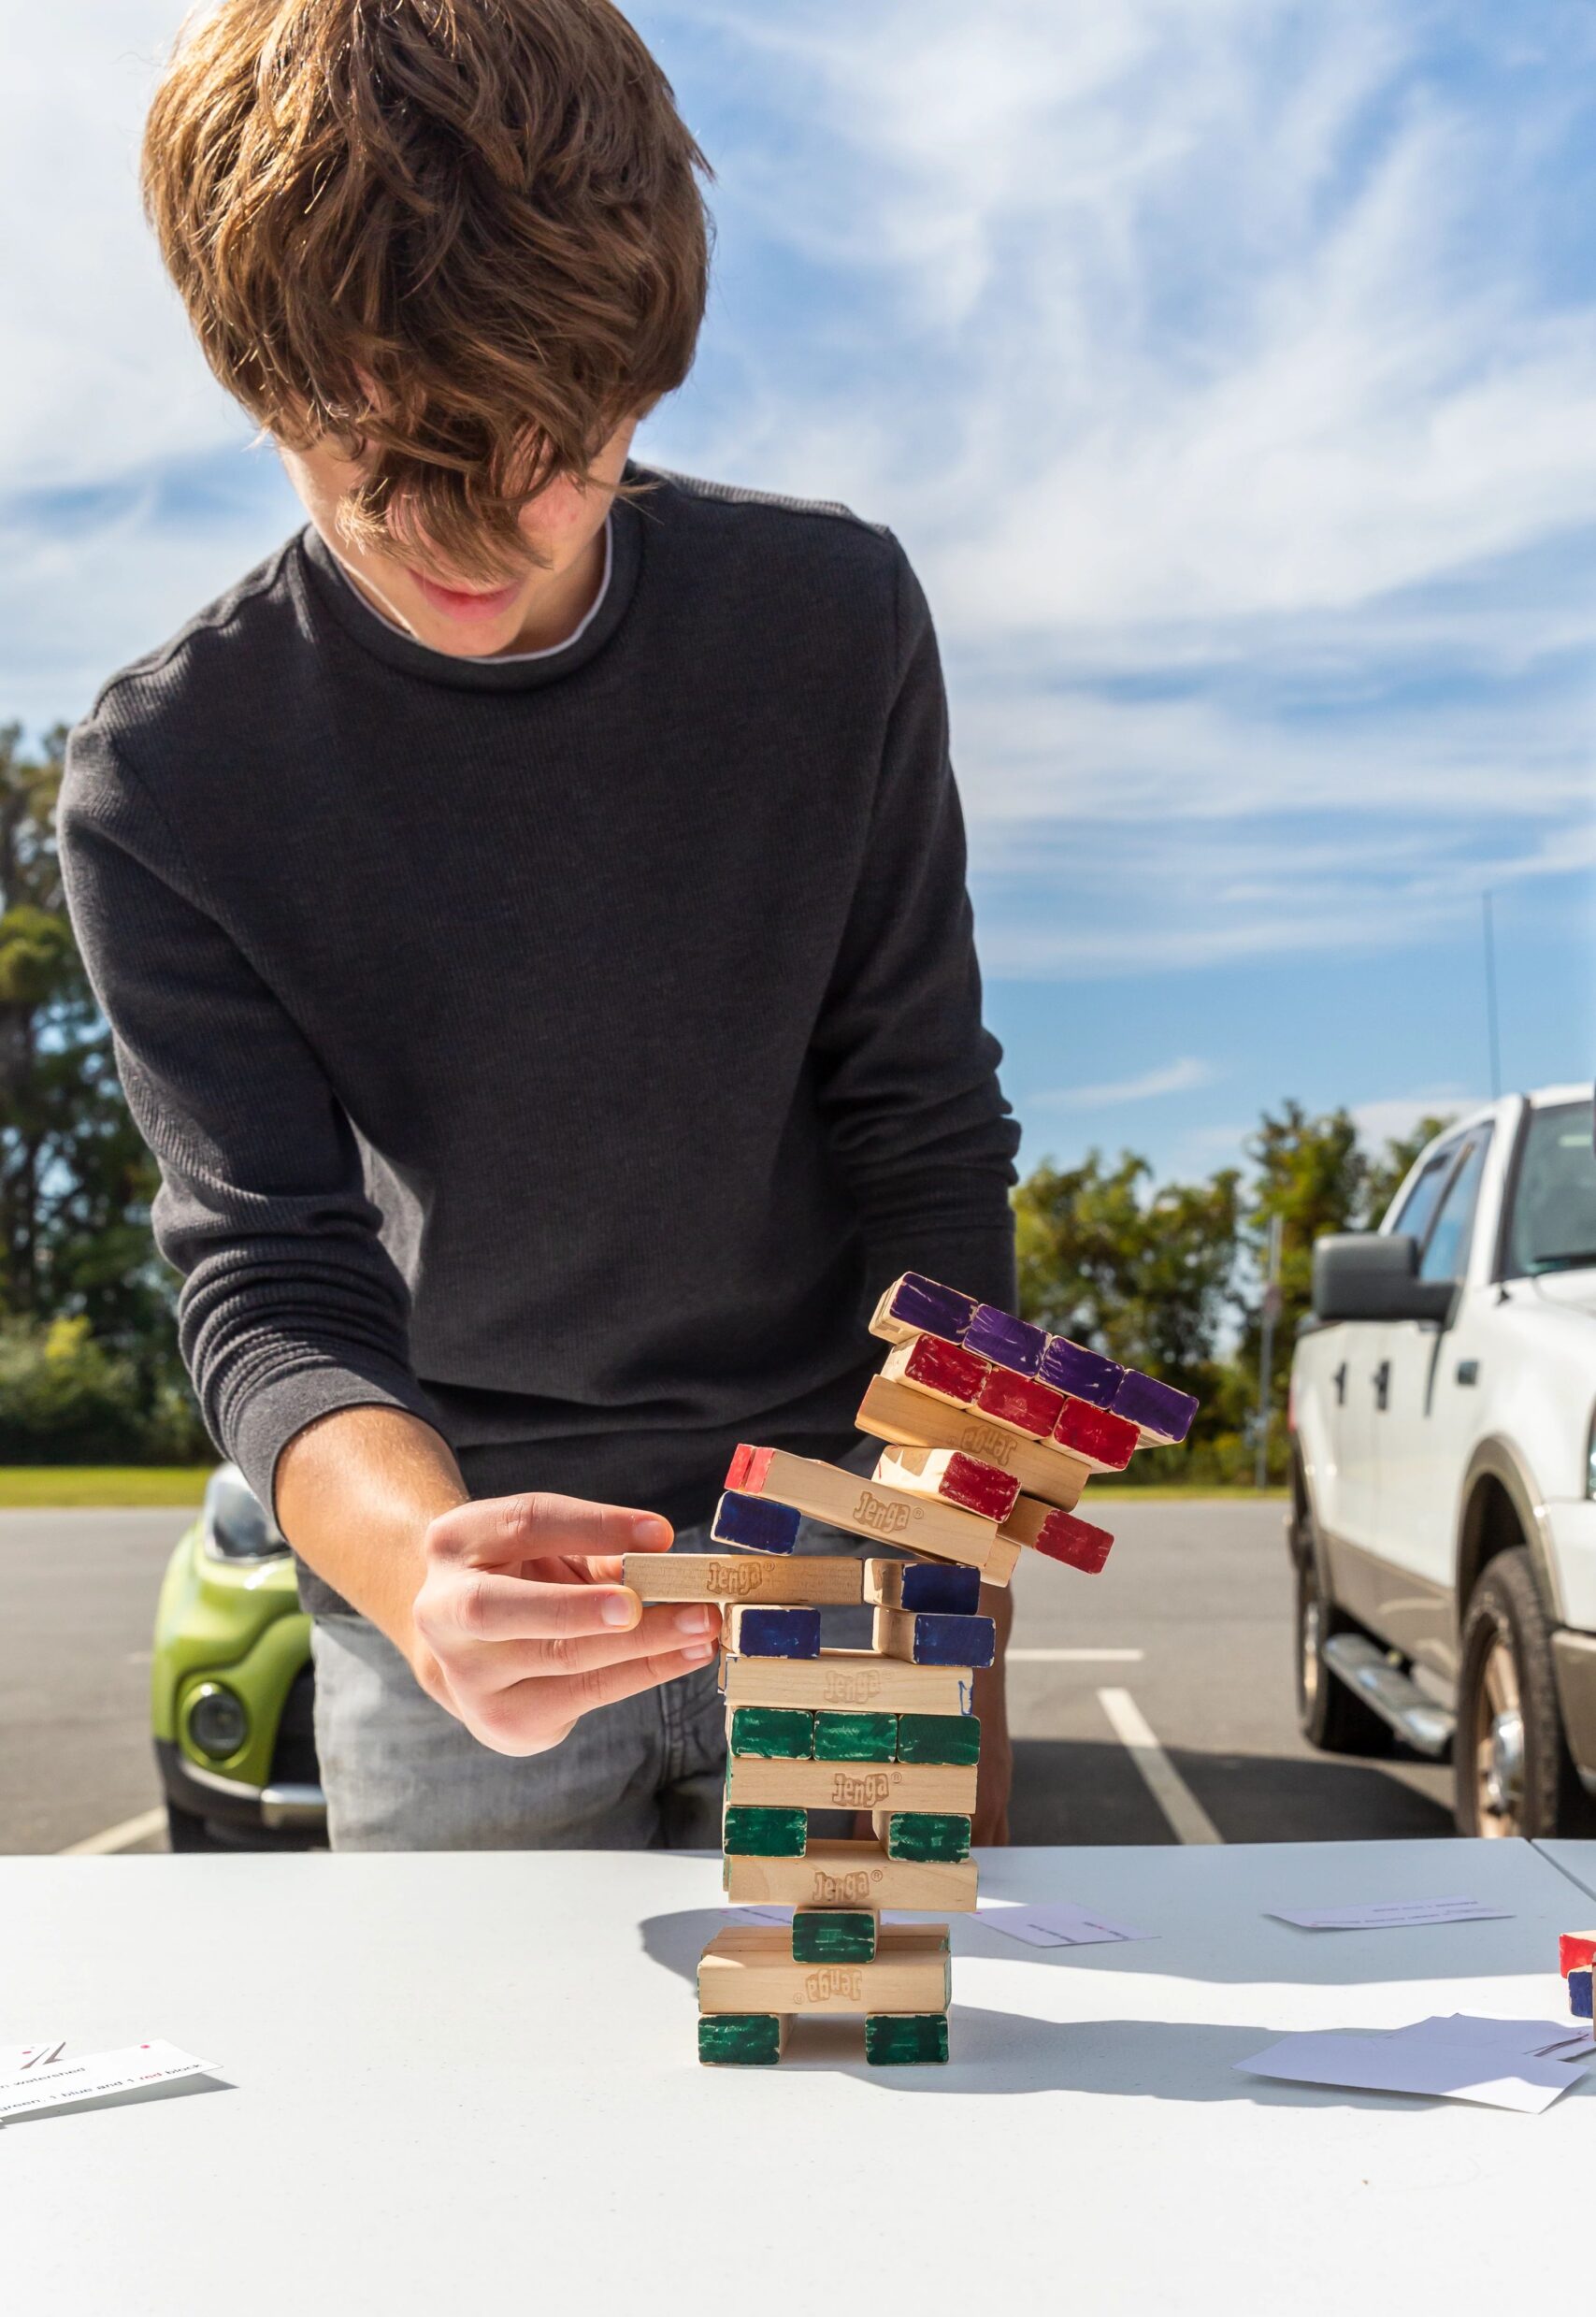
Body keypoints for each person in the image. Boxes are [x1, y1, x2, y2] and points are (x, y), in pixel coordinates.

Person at [60, 0, 1020, 1850]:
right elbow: (273, 1279)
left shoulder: (828, 629)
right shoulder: (172, 774)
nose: (491, 537)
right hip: (471, 1582)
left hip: (830, 1546)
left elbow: (920, 1124)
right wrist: (422, 1565)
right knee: (480, 2127)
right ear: (262, 385)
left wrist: (941, 1515)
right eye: (397, 463)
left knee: (886, 2099)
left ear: (642, 378)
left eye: (558, 451)